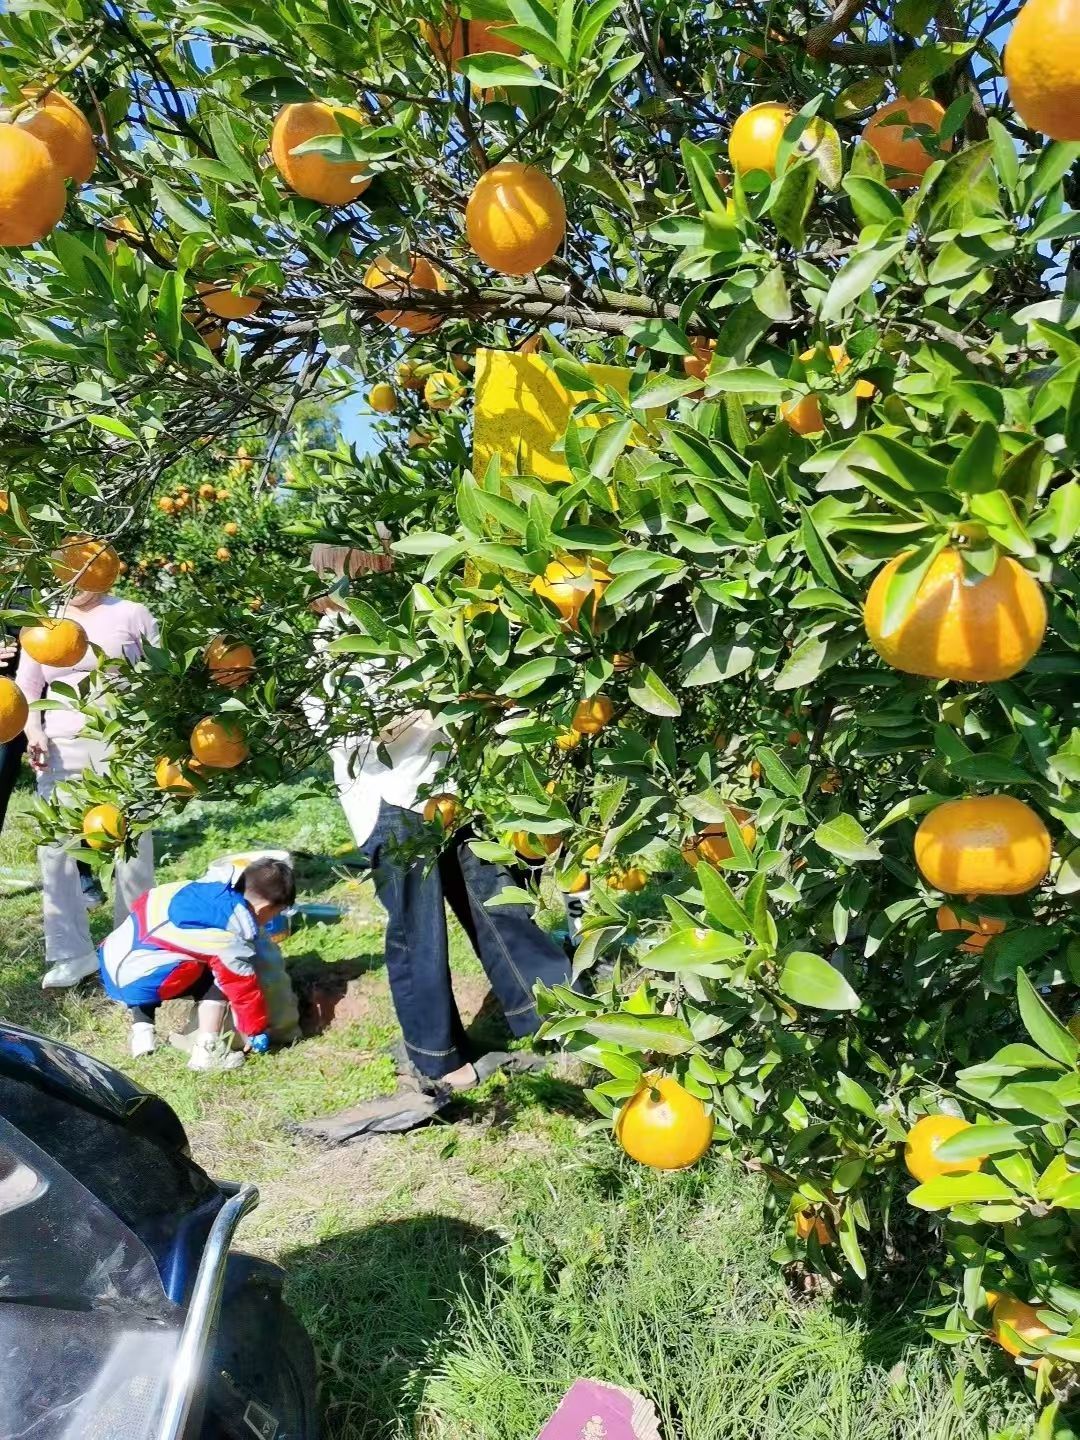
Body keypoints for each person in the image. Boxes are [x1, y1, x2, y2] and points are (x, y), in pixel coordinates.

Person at [306, 542, 571, 1091]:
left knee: (499, 903)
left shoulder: (419, 621)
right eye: (375, 566)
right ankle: (436, 1055)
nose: (389, 573)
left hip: (452, 792)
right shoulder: (333, 648)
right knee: (418, 931)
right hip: (391, 805)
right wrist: (437, 699)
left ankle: (551, 1013)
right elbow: (359, 733)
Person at [17, 588, 159, 988]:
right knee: (55, 848)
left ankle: (134, 946)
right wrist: (34, 733)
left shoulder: (131, 613)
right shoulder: (43, 624)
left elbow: (162, 678)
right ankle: (70, 953)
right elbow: (27, 689)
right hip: (61, 749)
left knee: (132, 846)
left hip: (124, 744)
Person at [97, 856, 295, 1069]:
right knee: (221, 977)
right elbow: (243, 989)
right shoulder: (228, 934)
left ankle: (142, 1034)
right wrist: (255, 1030)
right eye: (275, 913)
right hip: (145, 978)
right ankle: (207, 1050)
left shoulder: (193, 890)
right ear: (264, 908)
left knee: (158, 957)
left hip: (113, 963)